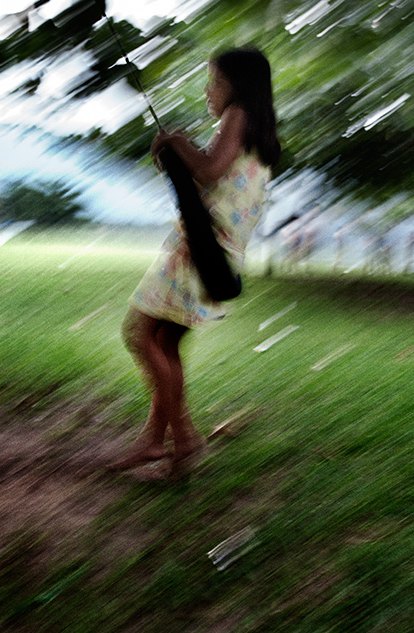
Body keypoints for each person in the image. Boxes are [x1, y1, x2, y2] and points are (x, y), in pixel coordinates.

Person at [109, 47, 281, 477]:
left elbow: (209, 170)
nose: (208, 90)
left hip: (200, 251)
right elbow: (213, 177)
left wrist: (176, 143)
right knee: (165, 342)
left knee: (138, 333)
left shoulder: (238, 115)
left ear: (238, 87)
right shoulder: (258, 131)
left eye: (215, 81)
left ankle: (185, 437)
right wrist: (178, 153)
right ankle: (153, 441)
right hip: (217, 255)